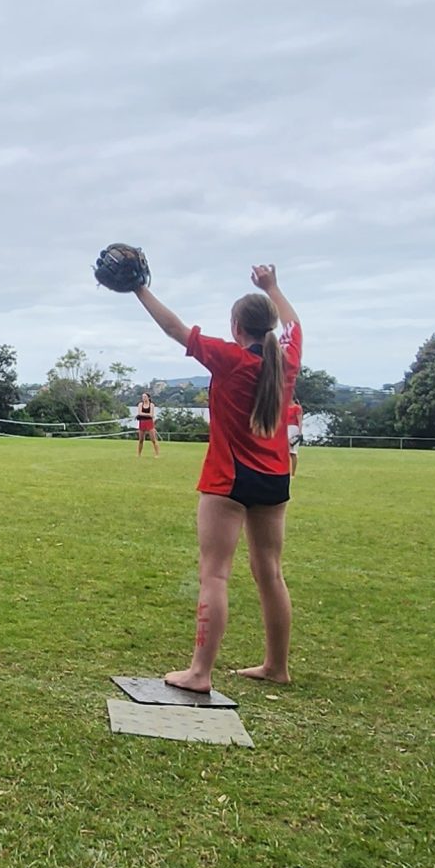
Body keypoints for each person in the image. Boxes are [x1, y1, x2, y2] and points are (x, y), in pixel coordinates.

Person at [129, 258, 301, 689]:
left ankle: (199, 672)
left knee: (215, 574)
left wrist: (138, 289)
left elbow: (175, 329)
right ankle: (276, 667)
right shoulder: (288, 360)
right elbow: (294, 323)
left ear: (237, 328)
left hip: (229, 479)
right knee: (271, 573)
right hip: (275, 478)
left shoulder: (231, 360)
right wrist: (274, 287)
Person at [134, 393, 161, 457]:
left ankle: (157, 454)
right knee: (141, 440)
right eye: (143, 397)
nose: (144, 398)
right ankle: (139, 454)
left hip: (149, 422)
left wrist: (144, 414)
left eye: (145, 397)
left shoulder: (151, 405)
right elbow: (140, 413)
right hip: (142, 422)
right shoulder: (140, 404)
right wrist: (147, 414)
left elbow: (151, 414)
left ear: (148, 397)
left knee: (153, 439)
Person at [284, 400, 305, 473]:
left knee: (293, 452)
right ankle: (286, 470)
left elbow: (300, 421)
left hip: (294, 429)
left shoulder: (297, 408)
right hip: (286, 429)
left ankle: (293, 472)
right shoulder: (285, 407)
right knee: (285, 452)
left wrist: (299, 432)